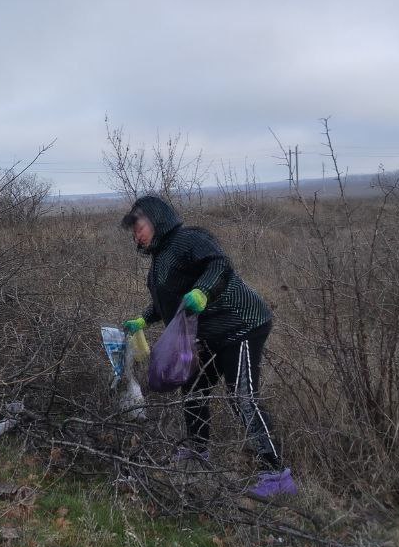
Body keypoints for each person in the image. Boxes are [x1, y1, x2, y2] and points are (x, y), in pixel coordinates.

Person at [121, 194, 298, 497]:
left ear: (157, 220)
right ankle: (197, 450)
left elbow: (219, 265)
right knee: (192, 386)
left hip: (242, 325)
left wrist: (202, 291)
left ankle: (277, 475)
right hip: (211, 333)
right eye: (134, 231)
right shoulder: (160, 259)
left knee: (242, 395)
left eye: (140, 227)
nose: (137, 235)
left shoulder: (189, 239)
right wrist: (143, 319)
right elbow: (169, 302)